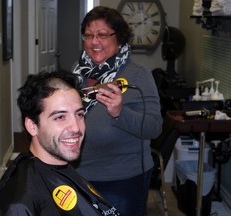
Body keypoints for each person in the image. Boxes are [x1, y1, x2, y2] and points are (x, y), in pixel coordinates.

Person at [0, 71, 122, 216]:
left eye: (79, 114)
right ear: (32, 126)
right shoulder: (18, 206)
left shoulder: (60, 168)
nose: (76, 127)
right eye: (60, 117)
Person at [72, 6, 163, 216]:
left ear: (119, 39)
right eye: (88, 35)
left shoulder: (138, 75)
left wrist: (119, 112)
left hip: (122, 179)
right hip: (79, 174)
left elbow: (154, 127)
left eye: (102, 35)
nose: (94, 42)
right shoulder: (76, 72)